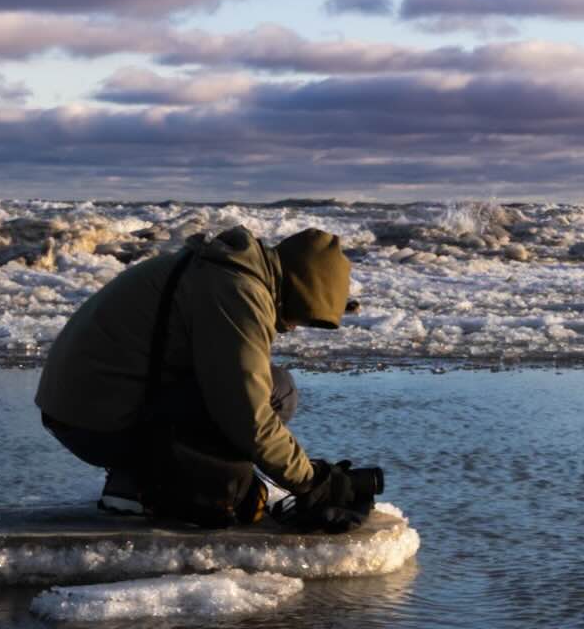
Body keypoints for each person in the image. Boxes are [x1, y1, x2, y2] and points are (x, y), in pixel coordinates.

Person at [35, 221, 390, 532]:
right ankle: (139, 485)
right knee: (273, 401)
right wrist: (312, 482)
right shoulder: (238, 291)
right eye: (303, 317)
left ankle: (139, 476)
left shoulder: (227, 271)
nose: (295, 327)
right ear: (301, 290)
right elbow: (246, 413)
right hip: (96, 422)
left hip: (87, 407)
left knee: (271, 390)